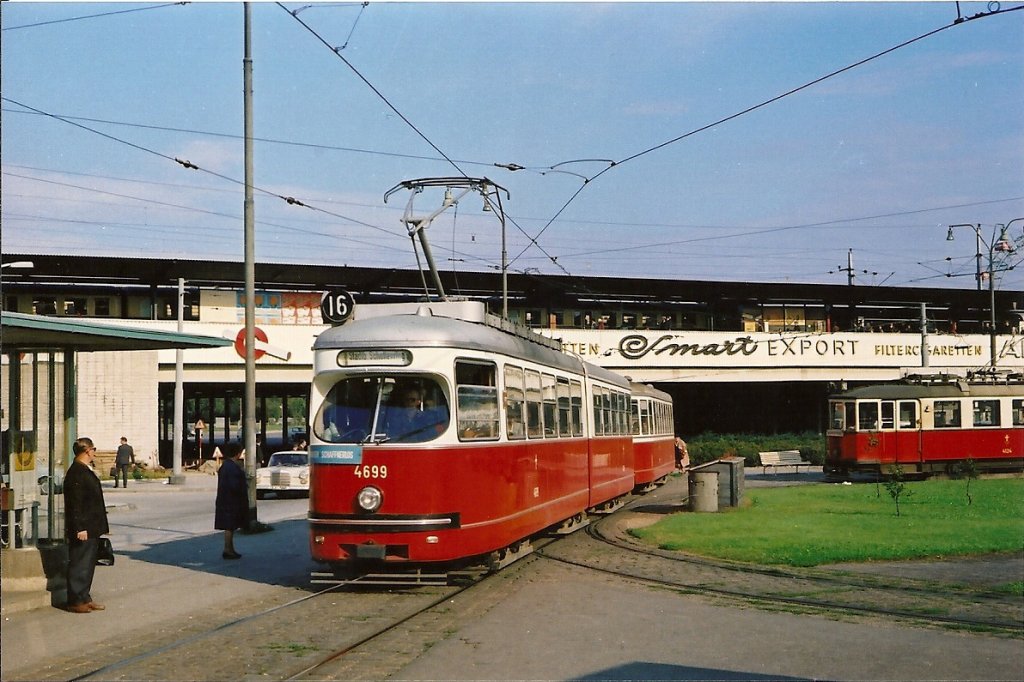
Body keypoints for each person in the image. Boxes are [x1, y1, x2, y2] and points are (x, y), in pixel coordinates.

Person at [63, 437, 110, 613]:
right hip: (83, 527)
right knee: (79, 563)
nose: (95, 452)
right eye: (93, 449)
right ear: (86, 451)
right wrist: (79, 527)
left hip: (91, 526)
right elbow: (75, 504)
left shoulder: (84, 470)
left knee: (88, 563)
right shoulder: (76, 472)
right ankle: (75, 600)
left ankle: (84, 596)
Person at [214, 442, 248, 560]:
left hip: (225, 499)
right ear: (238, 453)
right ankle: (228, 549)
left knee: (230, 526)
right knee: (229, 526)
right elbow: (234, 485)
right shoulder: (232, 467)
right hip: (231, 500)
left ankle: (230, 549)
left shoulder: (225, 465)